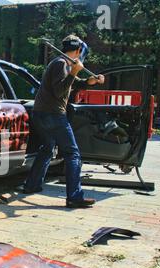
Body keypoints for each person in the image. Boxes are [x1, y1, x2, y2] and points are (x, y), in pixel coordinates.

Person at [21, 35, 105, 208]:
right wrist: (74, 72)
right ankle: (74, 197)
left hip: (42, 114)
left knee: (47, 148)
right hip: (53, 115)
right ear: (79, 50)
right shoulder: (61, 63)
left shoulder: (63, 63)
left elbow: (70, 84)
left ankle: (32, 184)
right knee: (73, 154)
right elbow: (60, 91)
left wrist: (89, 81)